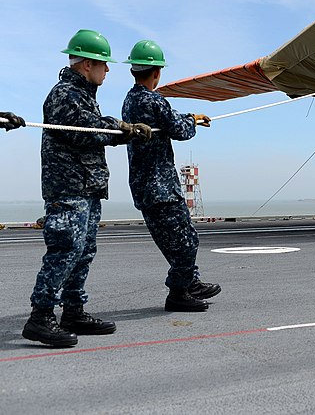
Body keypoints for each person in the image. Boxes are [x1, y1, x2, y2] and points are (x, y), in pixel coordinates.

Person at [23, 29, 152, 348]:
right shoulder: (65, 94)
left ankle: (74, 311)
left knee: (83, 250)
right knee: (65, 248)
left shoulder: (82, 94)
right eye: (103, 64)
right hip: (68, 188)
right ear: (86, 65)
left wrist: (122, 131)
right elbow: (85, 131)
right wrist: (122, 129)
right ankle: (40, 317)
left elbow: (95, 129)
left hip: (86, 187)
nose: (108, 69)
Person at [121, 39, 220, 312]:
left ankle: (190, 283)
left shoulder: (130, 101)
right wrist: (193, 121)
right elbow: (180, 130)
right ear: (157, 73)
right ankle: (178, 292)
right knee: (187, 241)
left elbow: (167, 120)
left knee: (173, 242)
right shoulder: (154, 100)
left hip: (143, 187)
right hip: (161, 187)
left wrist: (189, 116)